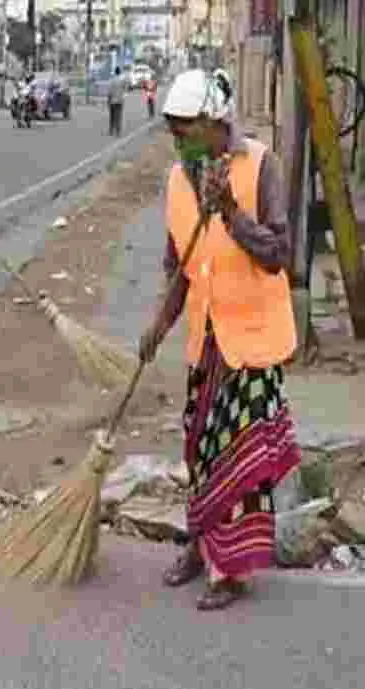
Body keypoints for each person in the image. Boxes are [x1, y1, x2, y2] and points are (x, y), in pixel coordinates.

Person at [140, 68, 300, 611]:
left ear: (213, 123)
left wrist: (231, 211)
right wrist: (158, 326)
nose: (178, 141)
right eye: (172, 132)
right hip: (206, 341)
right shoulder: (176, 181)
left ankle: (231, 569)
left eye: (185, 130)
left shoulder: (261, 167)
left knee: (240, 457)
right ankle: (198, 542)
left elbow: (280, 255)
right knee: (199, 448)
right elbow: (178, 269)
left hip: (252, 340)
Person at [107, 66, 125, 135]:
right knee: (118, 116)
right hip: (120, 101)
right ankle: (118, 131)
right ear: (120, 72)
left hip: (112, 101)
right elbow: (125, 89)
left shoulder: (111, 80)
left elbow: (109, 92)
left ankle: (111, 130)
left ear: (115, 72)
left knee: (112, 116)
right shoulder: (122, 81)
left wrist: (108, 100)